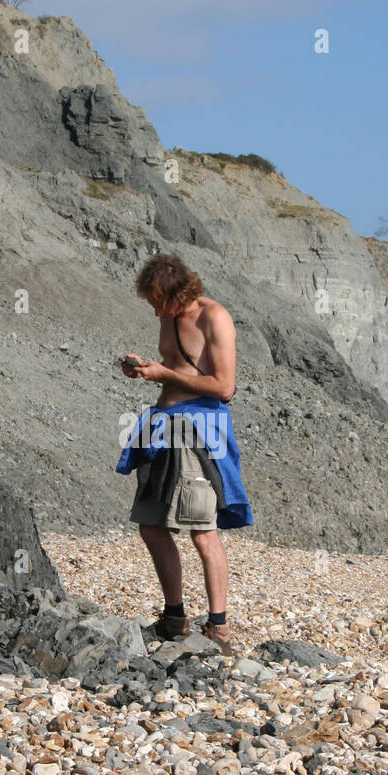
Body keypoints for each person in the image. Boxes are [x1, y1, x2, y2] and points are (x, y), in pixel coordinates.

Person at [116, 253, 253, 655]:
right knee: (152, 523)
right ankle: (175, 617)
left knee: (202, 529)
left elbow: (224, 387)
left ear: (180, 293)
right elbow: (175, 367)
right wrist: (144, 370)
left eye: (160, 302)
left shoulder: (216, 318)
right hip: (163, 425)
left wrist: (165, 374)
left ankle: (220, 628)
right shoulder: (166, 314)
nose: (155, 310)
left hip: (198, 433)